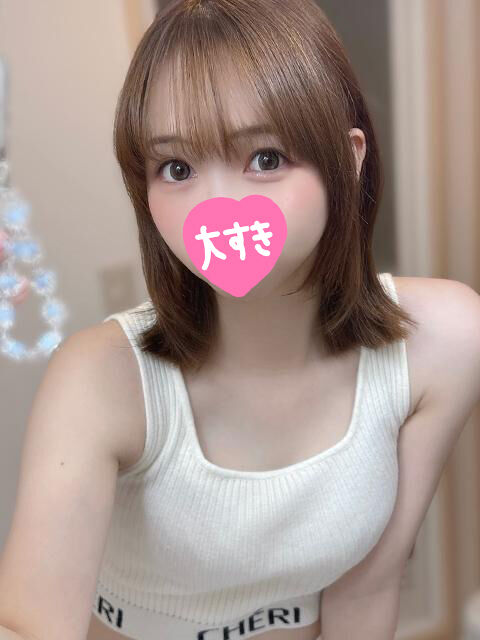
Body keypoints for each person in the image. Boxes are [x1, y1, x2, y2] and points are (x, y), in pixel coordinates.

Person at [1, 2, 480, 640]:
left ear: (348, 158)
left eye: (265, 157)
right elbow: (29, 623)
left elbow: (370, 584)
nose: (218, 206)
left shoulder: (444, 340)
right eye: (177, 168)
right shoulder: (99, 377)